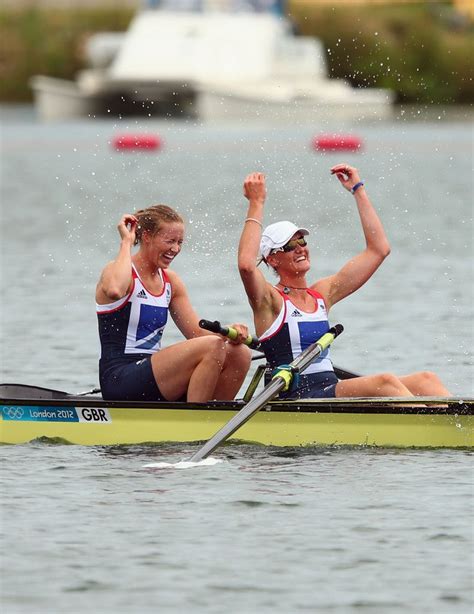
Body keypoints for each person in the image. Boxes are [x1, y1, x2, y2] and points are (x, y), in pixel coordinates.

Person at [238, 165, 451, 399]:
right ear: (272, 259)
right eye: (290, 246)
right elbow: (247, 265)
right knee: (386, 382)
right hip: (294, 393)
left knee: (427, 381)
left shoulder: (322, 294)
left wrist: (357, 190)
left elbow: (379, 250)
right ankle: (426, 431)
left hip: (327, 387)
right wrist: (256, 203)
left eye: (302, 242)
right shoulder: (269, 300)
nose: (300, 249)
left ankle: (455, 429)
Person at [96, 204, 251, 402]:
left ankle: (214, 418)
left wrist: (229, 332)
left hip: (152, 376)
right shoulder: (115, 271)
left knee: (240, 354)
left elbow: (198, 334)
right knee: (213, 346)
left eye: (180, 242)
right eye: (170, 241)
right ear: (146, 237)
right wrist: (126, 241)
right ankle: (195, 422)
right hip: (119, 379)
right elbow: (115, 290)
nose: (175, 249)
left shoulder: (171, 281)